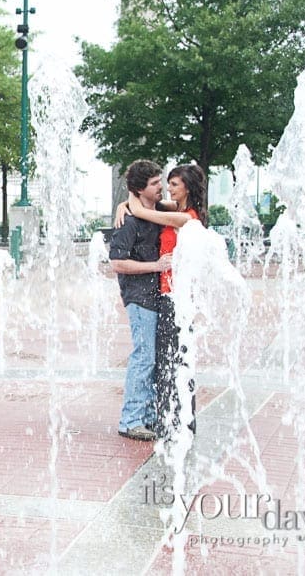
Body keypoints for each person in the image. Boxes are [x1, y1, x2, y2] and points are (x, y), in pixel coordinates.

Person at [124, 164, 207, 440]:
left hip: (177, 297)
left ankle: (181, 422)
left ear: (187, 188)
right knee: (167, 360)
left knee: (176, 359)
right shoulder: (177, 211)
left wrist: (130, 201)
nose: (168, 189)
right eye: (166, 183)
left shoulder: (188, 219)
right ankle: (170, 418)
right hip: (167, 295)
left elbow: (142, 211)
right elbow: (143, 208)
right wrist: (122, 205)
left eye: (174, 185)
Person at [108, 160, 172, 441]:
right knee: (143, 358)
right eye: (156, 184)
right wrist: (155, 266)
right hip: (139, 298)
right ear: (139, 188)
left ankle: (146, 417)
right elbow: (117, 263)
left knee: (153, 359)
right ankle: (131, 420)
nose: (162, 188)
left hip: (155, 297)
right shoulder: (128, 222)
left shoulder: (152, 212)